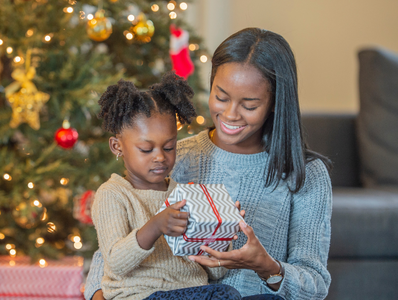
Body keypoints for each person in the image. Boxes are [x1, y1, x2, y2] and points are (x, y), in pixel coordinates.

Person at [85, 27, 332, 300]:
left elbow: (315, 287)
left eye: (249, 105)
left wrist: (266, 267)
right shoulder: (173, 157)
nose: (229, 114)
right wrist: (99, 294)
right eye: (221, 97)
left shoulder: (305, 174)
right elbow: (109, 254)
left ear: (275, 102)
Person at [93, 72, 244, 300]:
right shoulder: (113, 194)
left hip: (193, 291)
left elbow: (217, 271)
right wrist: (155, 226)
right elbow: (115, 263)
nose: (160, 157)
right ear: (117, 146)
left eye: (169, 147)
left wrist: (220, 233)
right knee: (225, 295)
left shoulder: (183, 193)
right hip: (141, 295)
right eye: (146, 149)